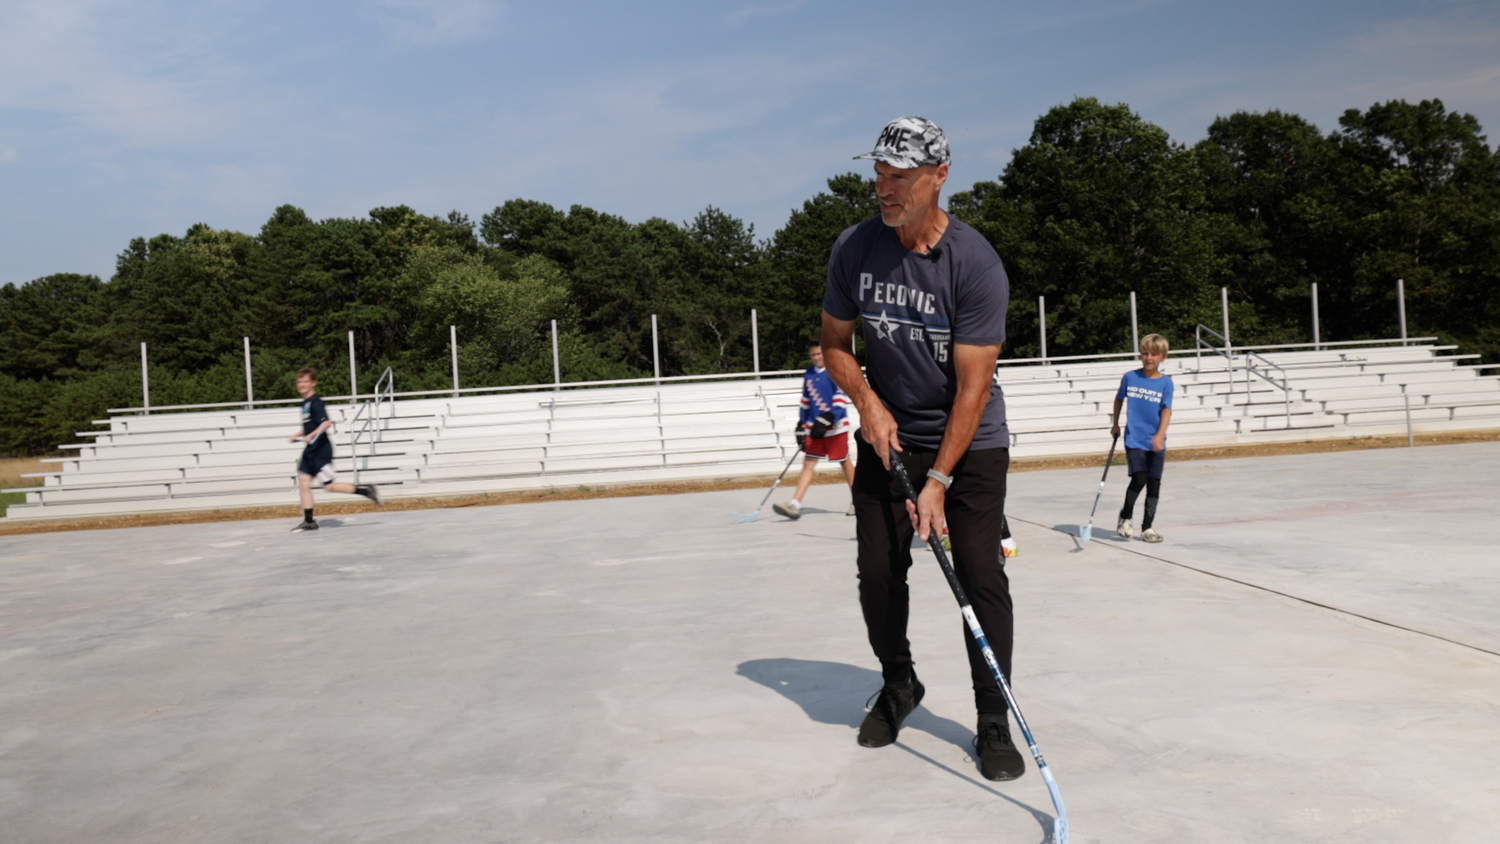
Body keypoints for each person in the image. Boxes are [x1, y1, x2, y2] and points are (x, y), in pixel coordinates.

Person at [820, 116, 1024, 782]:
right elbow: (834, 345)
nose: (885, 188)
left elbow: (972, 391)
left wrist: (938, 480)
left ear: (939, 177)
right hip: (889, 434)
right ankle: (900, 682)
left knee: (978, 572)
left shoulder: (975, 263)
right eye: (879, 173)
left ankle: (992, 716)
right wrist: (868, 404)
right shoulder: (854, 248)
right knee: (878, 572)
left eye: (900, 176)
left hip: (969, 443)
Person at [288, 368, 383, 532]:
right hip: (310, 451)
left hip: (320, 452)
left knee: (329, 487)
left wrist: (310, 436)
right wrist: (300, 433)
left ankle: (366, 490)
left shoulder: (316, 402)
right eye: (299, 382)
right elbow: (313, 425)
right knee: (304, 483)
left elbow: (326, 423)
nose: (302, 385)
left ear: (313, 383)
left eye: (305, 381)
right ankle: (309, 521)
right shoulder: (305, 403)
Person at [773, 336, 856, 520]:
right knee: (808, 463)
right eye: (813, 355)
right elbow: (805, 401)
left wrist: (828, 418)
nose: (817, 357)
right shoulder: (809, 373)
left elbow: (841, 399)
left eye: (819, 353)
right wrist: (801, 424)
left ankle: (859, 499)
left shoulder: (835, 370)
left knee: (844, 462)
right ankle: (795, 504)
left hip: (835, 428)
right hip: (814, 429)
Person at [1111, 334, 1174, 543]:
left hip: (1155, 441)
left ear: (1162, 357)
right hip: (1134, 439)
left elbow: (1166, 411)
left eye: (1154, 354)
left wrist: (1159, 435)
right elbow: (1119, 399)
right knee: (1139, 478)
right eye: (1145, 353)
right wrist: (1115, 424)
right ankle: (1126, 516)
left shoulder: (1166, 383)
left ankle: (1147, 528)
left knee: (1154, 485)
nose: (1148, 358)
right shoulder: (1130, 377)